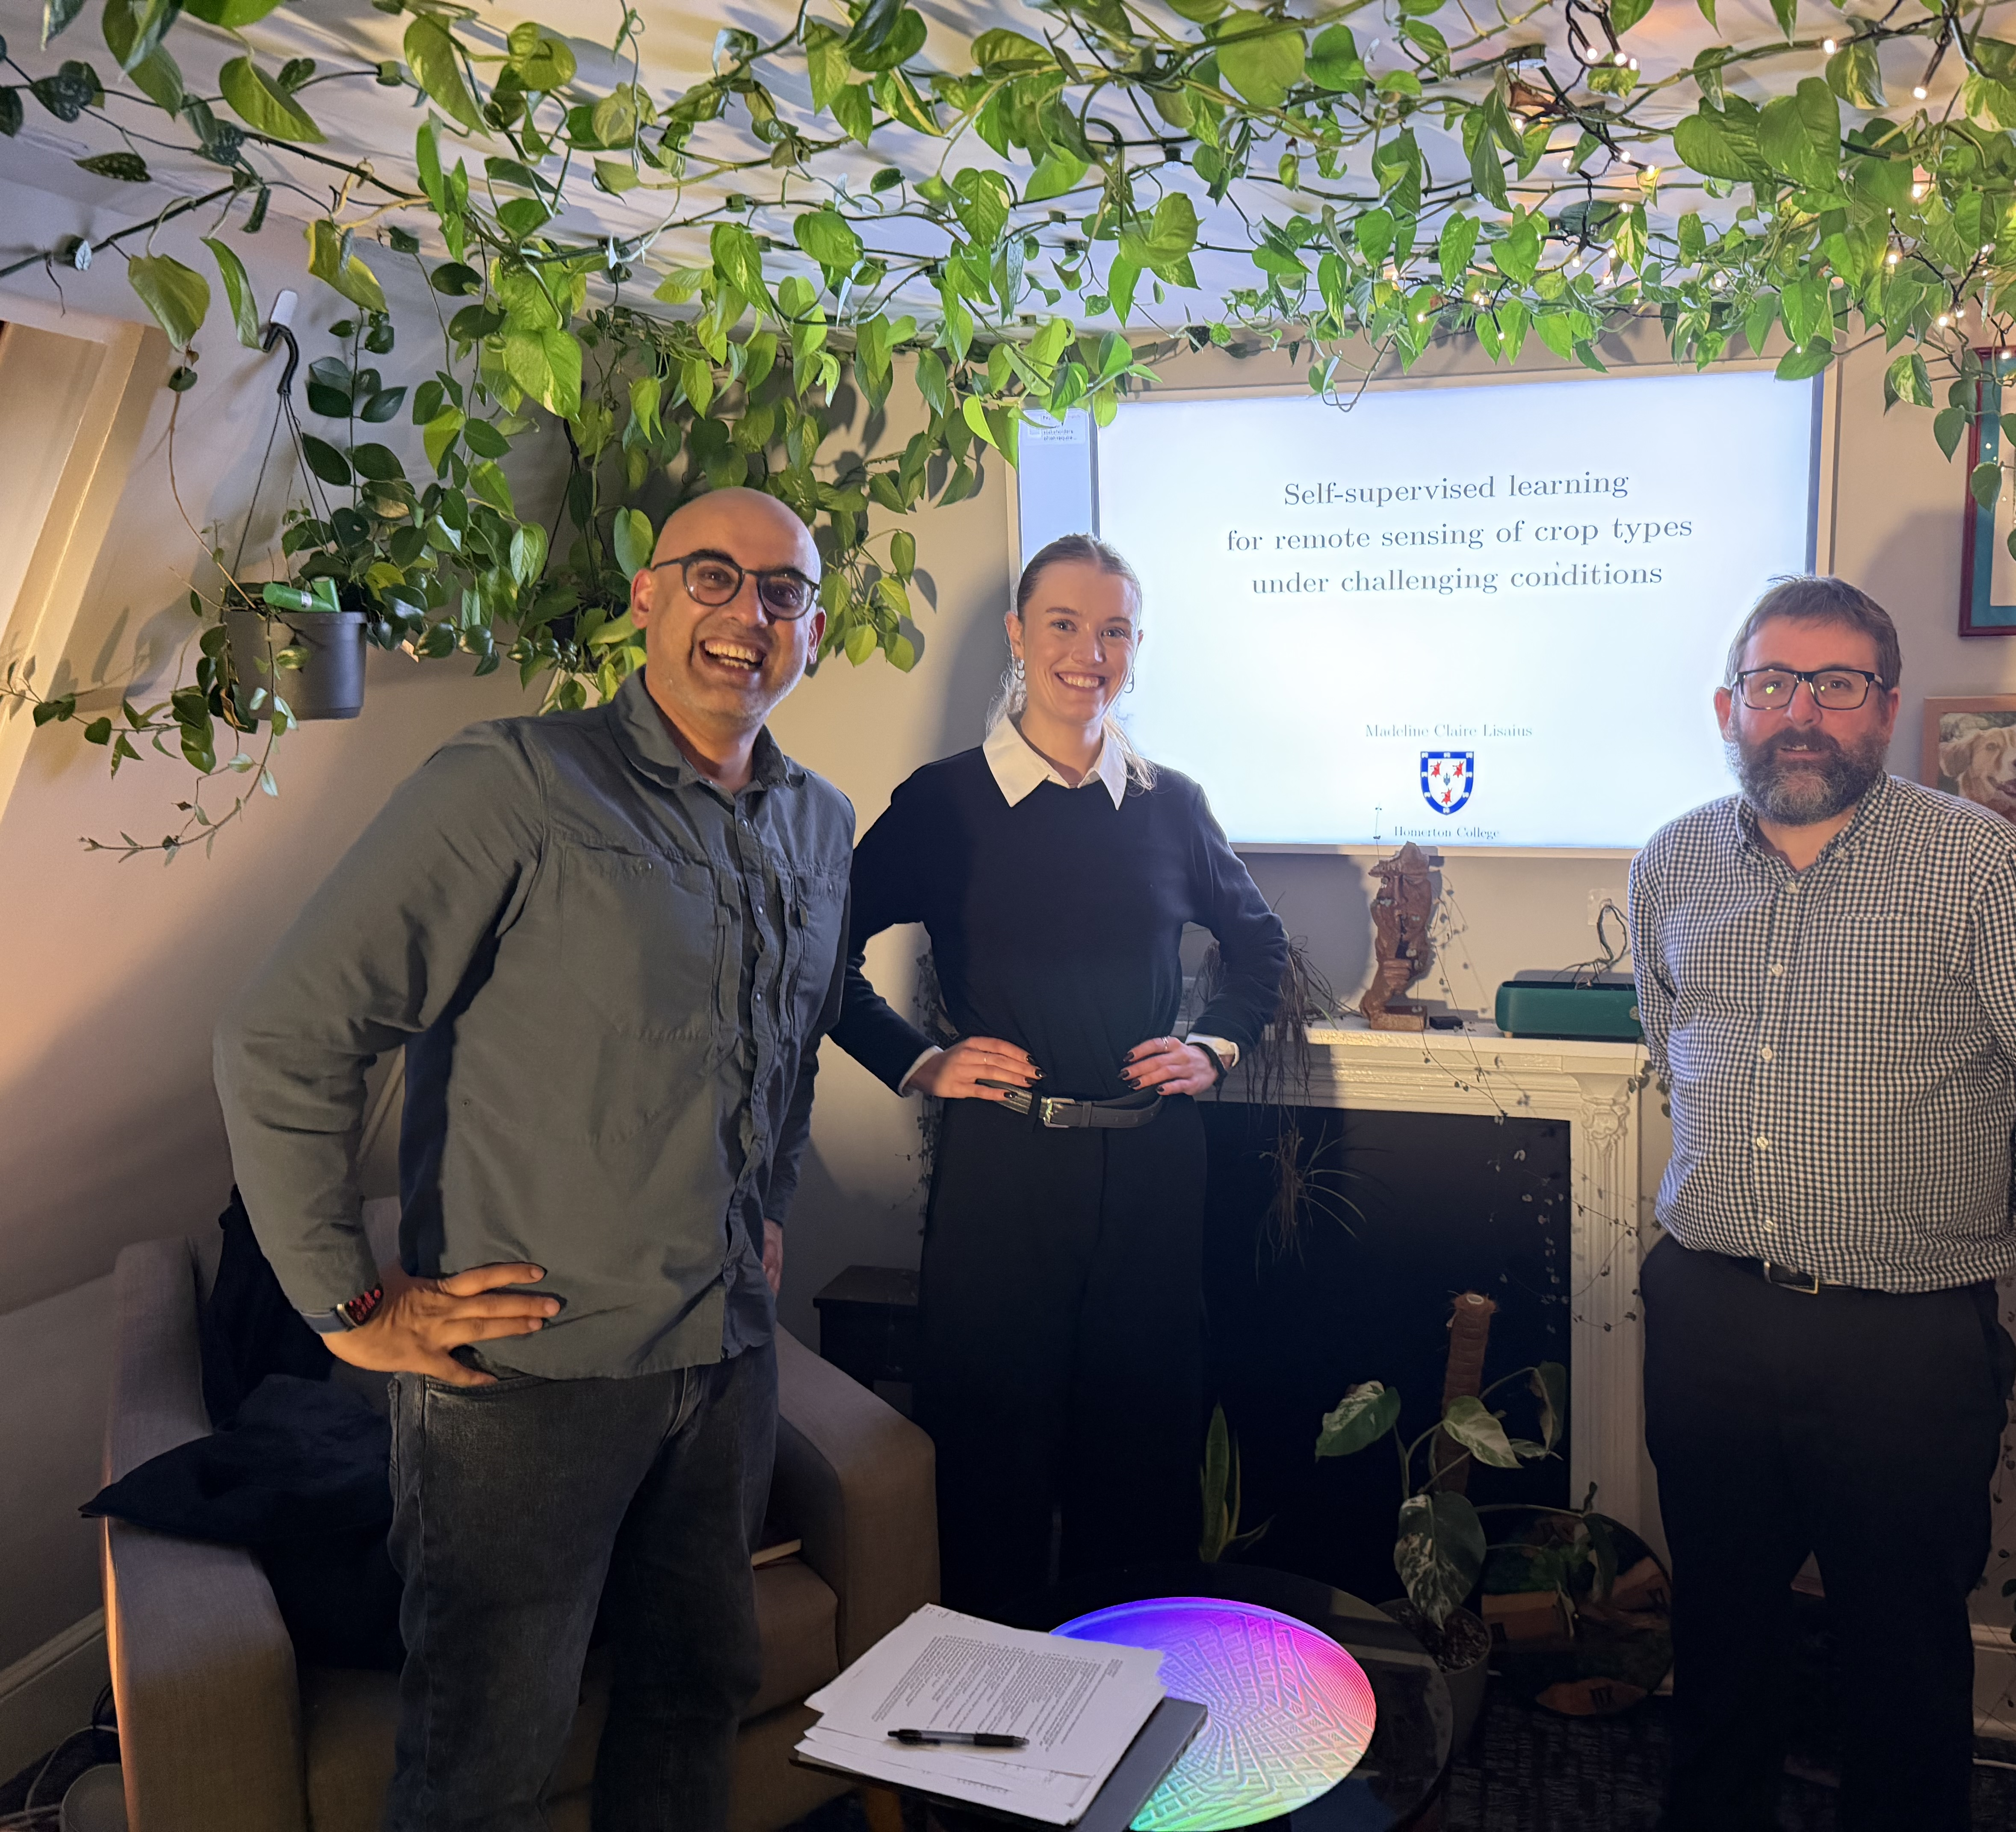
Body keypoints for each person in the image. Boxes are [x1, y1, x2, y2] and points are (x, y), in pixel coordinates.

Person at [215, 488, 853, 1832]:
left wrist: (772, 1205)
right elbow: (285, 1033)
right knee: (486, 1752)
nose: (748, 616)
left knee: (695, 1692)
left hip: (724, 1359)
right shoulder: (511, 783)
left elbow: (787, 1040)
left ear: (810, 628)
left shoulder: (817, 821)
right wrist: (351, 1305)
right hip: (528, 1381)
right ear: (644, 594)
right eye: (714, 577)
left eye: (783, 593)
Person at [1625, 576, 2016, 1831]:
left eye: (1837, 684)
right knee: (1720, 1643)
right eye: (1773, 684)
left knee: (1902, 1671)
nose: (1800, 712)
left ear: (1887, 707)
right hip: (1709, 1318)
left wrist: (1978, 1218)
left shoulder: (1982, 866)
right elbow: (1667, 1034)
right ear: (1728, 705)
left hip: (1903, 1343)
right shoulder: (1672, 861)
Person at [829, 533, 1288, 1609]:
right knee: (987, 1469)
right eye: (1066, 626)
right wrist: (919, 1061)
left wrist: (1213, 1046)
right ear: (1019, 639)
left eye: (1116, 630)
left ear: (1136, 647)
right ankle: (988, 1752)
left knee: (1143, 1471)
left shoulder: (1170, 803)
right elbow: (817, 955)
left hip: (1152, 1175)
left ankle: (1127, 1736)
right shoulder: (945, 804)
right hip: (1004, 1175)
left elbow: (1259, 948)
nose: (1092, 652)